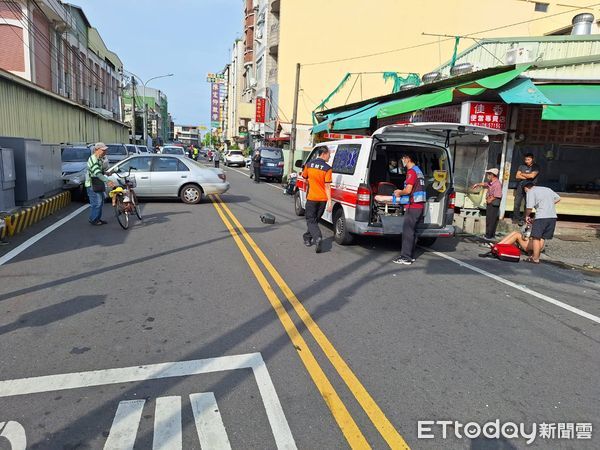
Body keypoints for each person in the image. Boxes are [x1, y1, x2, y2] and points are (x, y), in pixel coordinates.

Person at [392, 153, 426, 265]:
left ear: (408, 159)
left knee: (408, 231)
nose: (402, 161)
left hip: (413, 206)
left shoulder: (412, 172)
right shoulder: (419, 171)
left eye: (403, 158)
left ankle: (405, 257)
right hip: (420, 206)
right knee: (413, 232)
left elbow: (408, 190)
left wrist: (398, 192)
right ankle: (410, 256)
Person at [301, 147, 333, 253]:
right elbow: (328, 186)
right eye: (329, 154)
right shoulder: (327, 168)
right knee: (315, 220)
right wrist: (329, 202)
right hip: (322, 200)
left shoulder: (309, 165)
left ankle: (317, 237)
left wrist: (309, 184)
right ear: (324, 154)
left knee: (311, 220)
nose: (330, 156)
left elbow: (304, 178)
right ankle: (307, 237)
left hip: (312, 198)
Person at [523, 183, 560, 264]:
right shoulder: (547, 189)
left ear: (527, 188)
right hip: (552, 216)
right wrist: (548, 204)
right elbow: (558, 198)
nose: (525, 192)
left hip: (541, 217)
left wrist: (526, 216)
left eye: (525, 190)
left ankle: (535, 258)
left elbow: (529, 207)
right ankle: (535, 256)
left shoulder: (531, 191)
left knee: (536, 237)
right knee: (542, 237)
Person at [85, 142, 115, 226]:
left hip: (97, 183)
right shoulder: (93, 159)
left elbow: (100, 171)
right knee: (97, 203)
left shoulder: (99, 159)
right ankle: (93, 219)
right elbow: (97, 173)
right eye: (103, 150)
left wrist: (106, 173)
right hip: (92, 184)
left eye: (105, 150)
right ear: (96, 150)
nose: (105, 152)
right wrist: (107, 181)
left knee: (100, 202)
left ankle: (97, 218)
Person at [472, 168, 503, 241]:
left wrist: (490, 199)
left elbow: (498, 195)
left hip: (493, 203)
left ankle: (489, 236)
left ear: (493, 175)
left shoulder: (497, 183)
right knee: (490, 219)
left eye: (489, 174)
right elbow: (485, 184)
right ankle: (490, 235)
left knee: (491, 219)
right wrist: (477, 184)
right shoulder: (491, 182)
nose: (487, 175)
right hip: (491, 202)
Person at [513, 153, 540, 226]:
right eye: (526, 159)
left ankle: (524, 219)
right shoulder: (521, 166)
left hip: (530, 186)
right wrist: (528, 176)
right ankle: (516, 218)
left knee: (527, 203)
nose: (527, 161)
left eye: (528, 159)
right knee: (517, 203)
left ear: (532, 159)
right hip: (520, 186)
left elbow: (532, 176)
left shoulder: (535, 167)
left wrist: (522, 174)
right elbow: (517, 176)